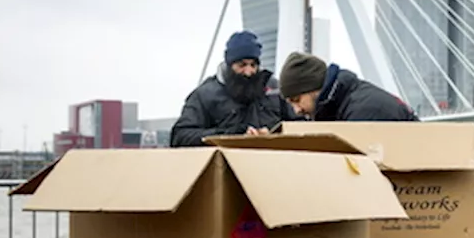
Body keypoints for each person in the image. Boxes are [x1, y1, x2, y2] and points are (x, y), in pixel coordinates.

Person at [170, 30, 287, 146]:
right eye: (242, 65)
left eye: (253, 65)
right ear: (229, 65)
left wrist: (275, 134)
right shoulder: (205, 95)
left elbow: (299, 124)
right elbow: (180, 136)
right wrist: (229, 136)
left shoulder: (275, 90)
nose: (248, 72)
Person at [279, 52, 418, 121]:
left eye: (297, 100)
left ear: (313, 87)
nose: (296, 110)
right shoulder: (342, 103)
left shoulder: (364, 111)